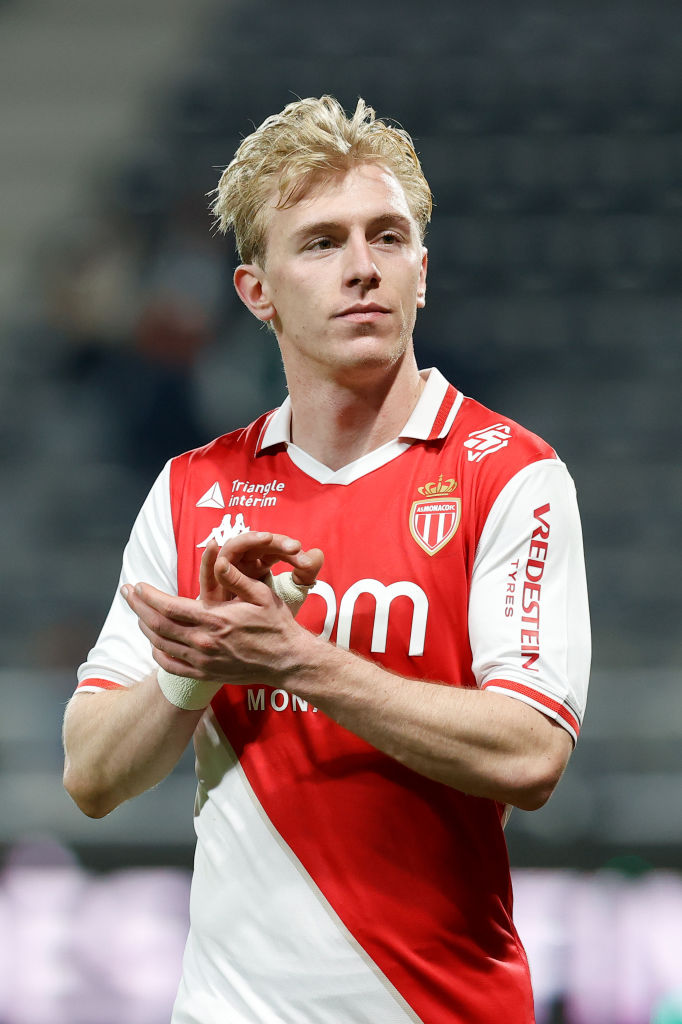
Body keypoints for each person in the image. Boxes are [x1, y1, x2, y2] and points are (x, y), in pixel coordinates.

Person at [62, 95, 590, 1024]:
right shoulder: (194, 490)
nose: (362, 268)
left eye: (387, 237)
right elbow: (92, 776)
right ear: (256, 292)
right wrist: (195, 669)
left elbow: (531, 752)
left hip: (438, 1005)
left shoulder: (510, 474)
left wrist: (295, 659)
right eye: (320, 243)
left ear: (421, 272)